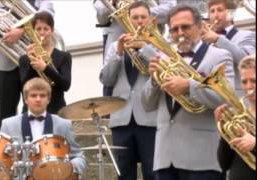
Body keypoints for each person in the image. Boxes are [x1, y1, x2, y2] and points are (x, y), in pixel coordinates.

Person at [141, 4, 235, 180]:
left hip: (202, 158)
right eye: (174, 29)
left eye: (185, 27)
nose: (180, 33)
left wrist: (189, 86)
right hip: (165, 157)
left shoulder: (220, 56)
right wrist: (154, 79)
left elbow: (227, 99)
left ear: (200, 27)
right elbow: (146, 105)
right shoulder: (163, 59)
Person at [100, 2, 161, 179]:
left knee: (152, 173)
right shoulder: (114, 46)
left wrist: (144, 47)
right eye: (135, 17)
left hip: (149, 118)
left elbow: (161, 71)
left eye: (143, 17)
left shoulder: (156, 46)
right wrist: (119, 52)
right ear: (128, 19)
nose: (139, 21)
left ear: (149, 20)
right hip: (121, 119)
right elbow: (107, 79)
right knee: (124, 174)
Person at [0, 0, 55, 130]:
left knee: (33, 111)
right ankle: (5, 149)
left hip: (34, 61)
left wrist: (22, 31)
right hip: (5, 61)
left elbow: (46, 17)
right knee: (5, 115)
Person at [0, 77, 87, 178]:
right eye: (33, 95)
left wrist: (72, 166)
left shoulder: (64, 124)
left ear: (48, 99)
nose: (38, 99)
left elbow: (78, 156)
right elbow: (2, 159)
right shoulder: (8, 124)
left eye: (42, 96)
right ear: (26, 99)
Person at [93, 0, 176, 96]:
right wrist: (113, 3)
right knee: (114, 84)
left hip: (150, 39)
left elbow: (170, 10)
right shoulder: (115, 46)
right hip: (118, 39)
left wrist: (137, 13)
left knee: (156, 77)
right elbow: (102, 18)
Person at [19, 11, 72, 114]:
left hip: (56, 110)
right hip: (31, 111)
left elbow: (66, 85)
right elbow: (24, 86)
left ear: (51, 31)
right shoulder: (24, 59)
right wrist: (32, 61)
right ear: (33, 32)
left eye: (46, 29)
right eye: (38, 29)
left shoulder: (64, 56)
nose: (42, 32)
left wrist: (45, 68)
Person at [201, 0, 256, 95]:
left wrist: (217, 39)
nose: (215, 15)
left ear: (231, 13)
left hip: (237, 96)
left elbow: (248, 60)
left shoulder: (247, 35)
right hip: (212, 98)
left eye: (220, 10)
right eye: (212, 11)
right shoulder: (205, 41)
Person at [214, 54, 256, 180]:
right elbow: (224, 163)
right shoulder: (240, 117)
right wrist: (224, 133)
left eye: (254, 80)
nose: (249, 87)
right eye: (244, 81)